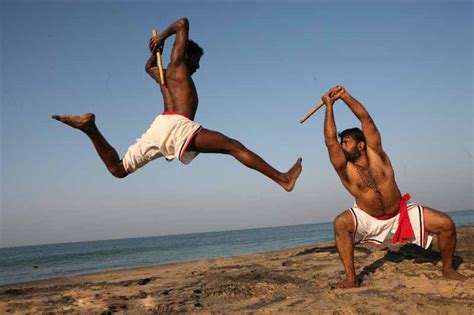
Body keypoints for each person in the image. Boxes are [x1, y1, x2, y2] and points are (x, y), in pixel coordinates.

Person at [52, 18, 302, 191]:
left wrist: (154, 49)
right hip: (177, 125)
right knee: (233, 147)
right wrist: (162, 37)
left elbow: (148, 67)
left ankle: (90, 128)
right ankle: (283, 179)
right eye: (196, 60)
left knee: (119, 169)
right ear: (186, 55)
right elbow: (183, 23)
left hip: (159, 127)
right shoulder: (178, 66)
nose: (198, 66)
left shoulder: (164, 76)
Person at [321, 85, 467, 288]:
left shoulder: (376, 153)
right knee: (340, 224)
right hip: (367, 217)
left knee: (446, 224)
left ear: (361, 144)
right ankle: (351, 279)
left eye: (346, 142)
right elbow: (330, 141)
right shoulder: (344, 168)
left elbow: (366, 119)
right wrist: (329, 107)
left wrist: (344, 96)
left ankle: (448, 268)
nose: (341, 146)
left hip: (400, 212)